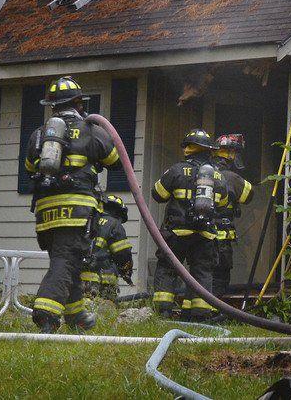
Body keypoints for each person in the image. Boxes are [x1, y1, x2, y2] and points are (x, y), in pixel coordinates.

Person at [24, 75, 121, 333]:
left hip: (46, 213)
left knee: (66, 259)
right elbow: (114, 159)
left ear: (52, 105)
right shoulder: (91, 129)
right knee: (66, 260)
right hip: (76, 210)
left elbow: (30, 167)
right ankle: (45, 312)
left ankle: (76, 316)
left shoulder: (40, 134)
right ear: (79, 102)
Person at [151, 129, 228, 321]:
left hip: (177, 231)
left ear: (190, 148)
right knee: (202, 272)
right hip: (206, 234)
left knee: (168, 269)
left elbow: (157, 194)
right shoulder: (218, 177)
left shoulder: (177, 170)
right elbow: (223, 204)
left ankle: (163, 313)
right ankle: (200, 315)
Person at [212, 134, 254, 297]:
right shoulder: (231, 177)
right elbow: (249, 196)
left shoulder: (202, 173)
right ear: (230, 154)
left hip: (200, 237)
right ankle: (214, 311)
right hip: (222, 238)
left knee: (201, 274)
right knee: (220, 277)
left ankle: (196, 311)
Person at [91, 194, 133, 300]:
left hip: (79, 277)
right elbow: (123, 254)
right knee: (105, 309)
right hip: (104, 280)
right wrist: (126, 271)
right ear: (118, 212)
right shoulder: (114, 224)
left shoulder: (89, 221)